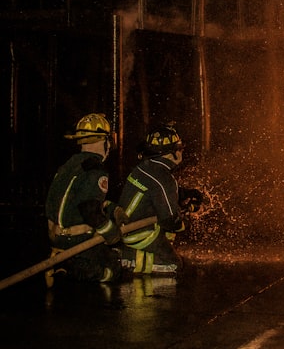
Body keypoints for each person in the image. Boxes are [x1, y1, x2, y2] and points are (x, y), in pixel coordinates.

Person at [44, 113, 124, 284]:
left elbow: (74, 200)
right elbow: (89, 209)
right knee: (114, 268)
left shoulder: (70, 164)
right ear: (104, 141)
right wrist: (112, 234)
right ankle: (72, 269)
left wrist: (113, 209)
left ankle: (64, 261)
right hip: (76, 240)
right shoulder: (95, 169)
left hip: (55, 236)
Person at [118, 123, 202, 275]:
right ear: (172, 152)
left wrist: (186, 193)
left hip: (127, 229)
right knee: (175, 265)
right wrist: (186, 218)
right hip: (140, 234)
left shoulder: (147, 167)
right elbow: (169, 220)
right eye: (180, 148)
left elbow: (156, 192)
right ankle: (135, 261)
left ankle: (132, 255)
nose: (182, 152)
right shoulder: (163, 177)